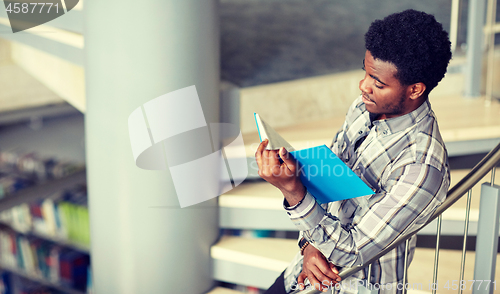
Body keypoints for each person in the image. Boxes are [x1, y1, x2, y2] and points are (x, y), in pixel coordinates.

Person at [255, 9, 452, 294]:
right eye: (366, 72)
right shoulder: (363, 108)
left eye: (378, 82)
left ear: (415, 90)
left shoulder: (422, 167)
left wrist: (293, 193)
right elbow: (324, 180)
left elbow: (354, 251)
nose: (363, 86)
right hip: (302, 276)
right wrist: (309, 245)